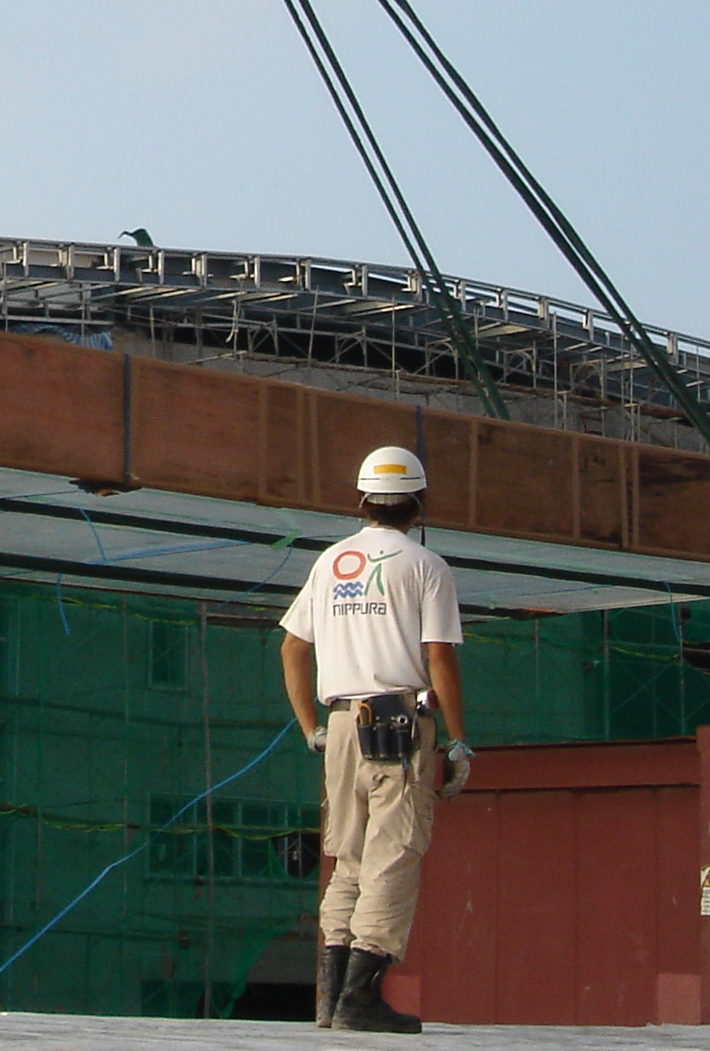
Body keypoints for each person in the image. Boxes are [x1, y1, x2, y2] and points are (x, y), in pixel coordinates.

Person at [279, 443, 472, 1034]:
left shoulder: (332, 561)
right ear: (418, 504)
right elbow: (438, 657)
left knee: (349, 859)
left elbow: (292, 646)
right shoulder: (425, 566)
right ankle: (361, 999)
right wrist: (459, 742)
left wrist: (312, 727)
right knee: (395, 853)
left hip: (340, 725)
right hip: (398, 726)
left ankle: (331, 998)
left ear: (362, 500)